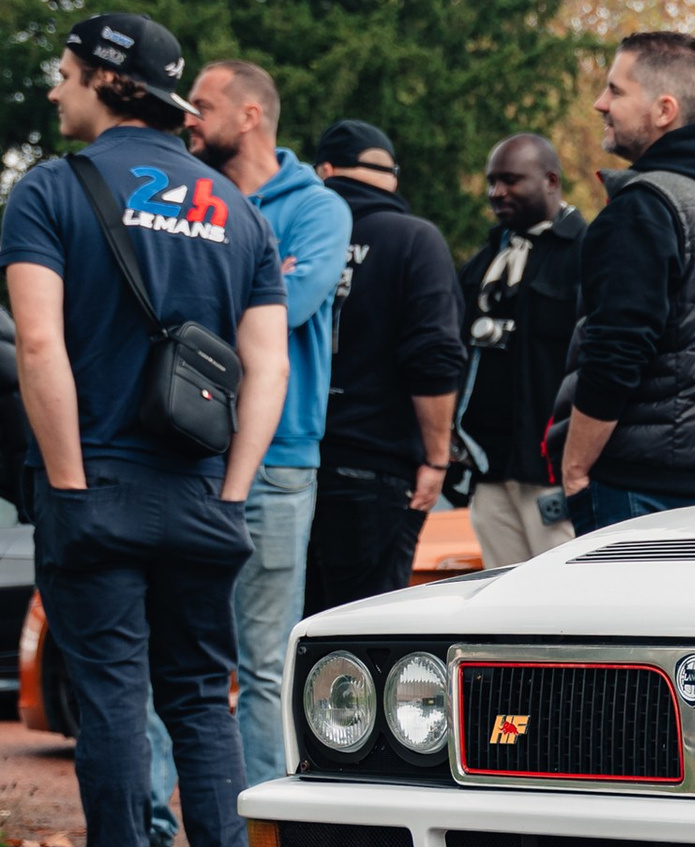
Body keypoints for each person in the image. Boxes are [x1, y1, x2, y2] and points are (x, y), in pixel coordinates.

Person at [0, 12, 288, 847]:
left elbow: (39, 345)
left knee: (115, 701)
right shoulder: (238, 210)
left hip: (96, 484)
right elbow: (267, 367)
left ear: (104, 80)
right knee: (204, 698)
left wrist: (69, 483)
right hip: (203, 492)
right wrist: (233, 492)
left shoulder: (49, 190)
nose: (55, 90)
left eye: (65, 72)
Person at [176, 61, 352, 788]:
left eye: (202, 104)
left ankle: (260, 826)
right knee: (173, 653)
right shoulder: (189, 197)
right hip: (186, 451)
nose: (187, 117)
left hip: (278, 460)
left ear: (249, 116)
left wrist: (204, 296)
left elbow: (293, 306)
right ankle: (157, 825)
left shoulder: (318, 209)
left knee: (265, 665)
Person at [548, 31, 695, 527]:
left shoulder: (644, 207)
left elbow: (616, 349)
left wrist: (574, 467)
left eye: (615, 90)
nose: (600, 103)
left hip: (642, 484)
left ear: (664, 110)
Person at [304, 120, 469, 617]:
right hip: (375, 470)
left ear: (325, 171)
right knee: (363, 628)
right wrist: (437, 458)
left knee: (294, 624)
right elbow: (434, 356)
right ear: (392, 177)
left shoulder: (295, 237)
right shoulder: (413, 239)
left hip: (290, 466)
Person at [453, 134, 587, 565]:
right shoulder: (485, 261)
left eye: (511, 180)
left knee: (563, 593)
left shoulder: (586, 254)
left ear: (551, 181)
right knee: (502, 588)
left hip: (552, 471)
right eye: (492, 182)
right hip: (489, 468)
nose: (497, 192)